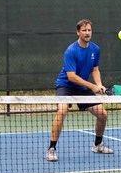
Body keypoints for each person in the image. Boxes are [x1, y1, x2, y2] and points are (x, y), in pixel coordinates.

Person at [46, 19, 114, 161]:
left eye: (89, 30)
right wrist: (92, 86)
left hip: (82, 87)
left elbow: (95, 69)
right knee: (62, 110)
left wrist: (99, 84)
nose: (87, 33)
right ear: (78, 32)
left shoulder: (95, 49)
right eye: (84, 30)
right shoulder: (71, 51)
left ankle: (98, 145)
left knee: (102, 114)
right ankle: (51, 148)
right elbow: (71, 77)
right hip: (65, 86)